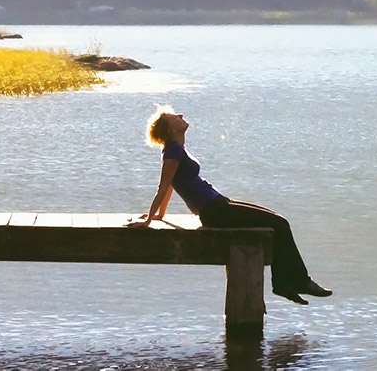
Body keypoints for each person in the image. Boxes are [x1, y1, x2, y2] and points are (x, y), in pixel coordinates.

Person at [129, 106, 332, 305]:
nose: (180, 115)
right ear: (171, 129)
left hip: (219, 204)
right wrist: (148, 219)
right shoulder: (173, 150)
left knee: (277, 222)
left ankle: (284, 283)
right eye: (175, 117)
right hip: (214, 211)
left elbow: (171, 185)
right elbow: (164, 186)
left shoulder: (177, 149)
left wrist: (159, 215)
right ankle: (298, 282)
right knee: (280, 223)